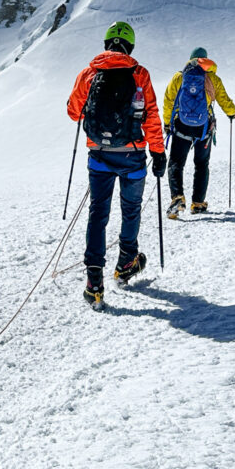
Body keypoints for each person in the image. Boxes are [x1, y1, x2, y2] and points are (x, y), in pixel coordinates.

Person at [66, 21, 165, 306]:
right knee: (130, 211)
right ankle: (125, 264)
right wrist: (158, 153)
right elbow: (151, 115)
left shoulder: (89, 72)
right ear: (130, 46)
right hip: (132, 155)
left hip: (99, 154)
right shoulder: (139, 74)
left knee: (98, 213)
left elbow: (74, 113)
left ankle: (94, 280)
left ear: (106, 43)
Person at [162, 48, 235, 216]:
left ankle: (177, 198)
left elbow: (168, 101)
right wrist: (232, 113)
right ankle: (198, 203)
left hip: (182, 126)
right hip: (204, 129)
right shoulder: (213, 78)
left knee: (176, 163)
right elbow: (224, 99)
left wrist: (167, 123)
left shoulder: (179, 77)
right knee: (201, 165)